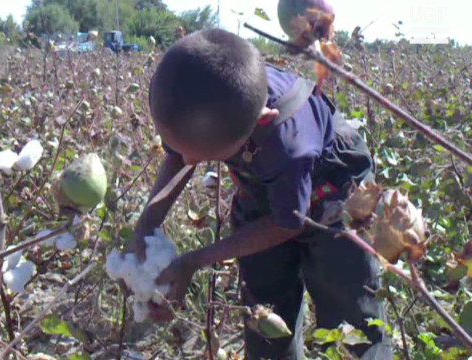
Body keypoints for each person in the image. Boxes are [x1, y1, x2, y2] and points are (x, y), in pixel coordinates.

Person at [127, 28, 393, 360]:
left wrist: (192, 262)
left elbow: (287, 224)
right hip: (267, 184)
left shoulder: (289, 141)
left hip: (334, 193)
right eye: (184, 151)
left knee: (349, 311)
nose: (191, 162)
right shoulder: (202, 98)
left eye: (206, 157)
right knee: (264, 312)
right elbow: (180, 157)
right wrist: (147, 225)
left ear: (261, 122)